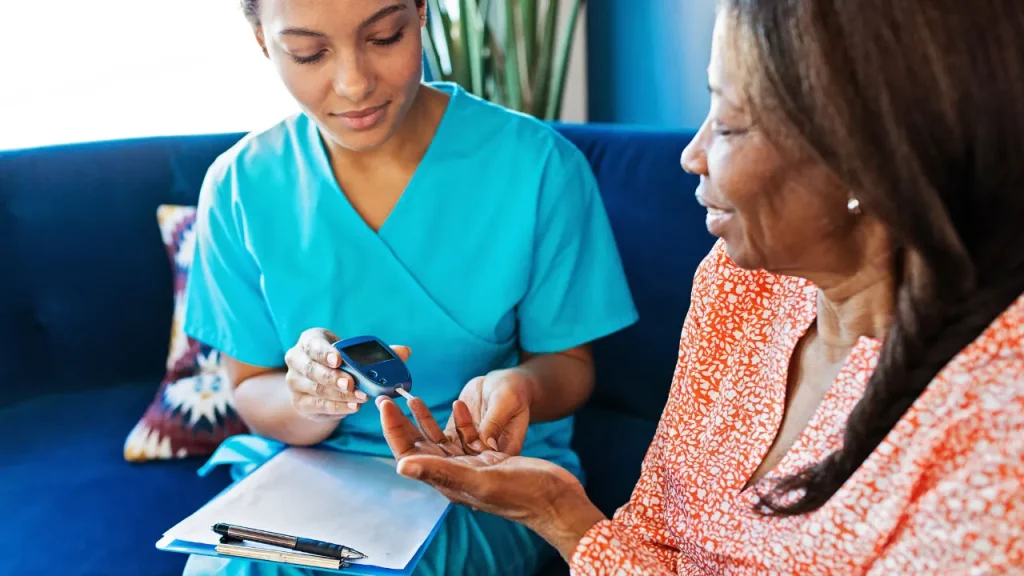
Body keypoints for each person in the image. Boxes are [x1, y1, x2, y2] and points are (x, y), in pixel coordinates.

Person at [375, 0, 1024, 573]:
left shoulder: (995, 433)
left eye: (732, 125)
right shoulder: (743, 285)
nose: (692, 152)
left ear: (869, 157)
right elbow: (650, 536)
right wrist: (558, 514)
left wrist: (564, 518)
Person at [179, 0, 638, 574]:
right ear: (261, 42)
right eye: (309, 53)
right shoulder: (239, 185)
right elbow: (251, 389)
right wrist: (309, 401)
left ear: (421, 12)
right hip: (309, 477)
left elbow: (568, 364)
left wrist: (520, 387)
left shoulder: (540, 167)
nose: (353, 84)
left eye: (385, 38)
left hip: (481, 475)